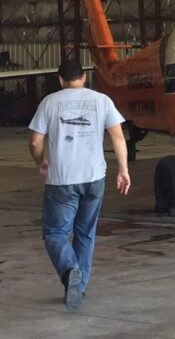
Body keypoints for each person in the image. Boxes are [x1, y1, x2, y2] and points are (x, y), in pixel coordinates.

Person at [27, 57, 131, 311]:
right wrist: (123, 170)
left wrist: (40, 161)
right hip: (94, 178)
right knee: (85, 233)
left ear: (60, 80)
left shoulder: (49, 102)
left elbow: (34, 142)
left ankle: (70, 270)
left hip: (62, 179)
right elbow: (117, 136)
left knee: (55, 233)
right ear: (84, 78)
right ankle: (79, 287)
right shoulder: (102, 101)